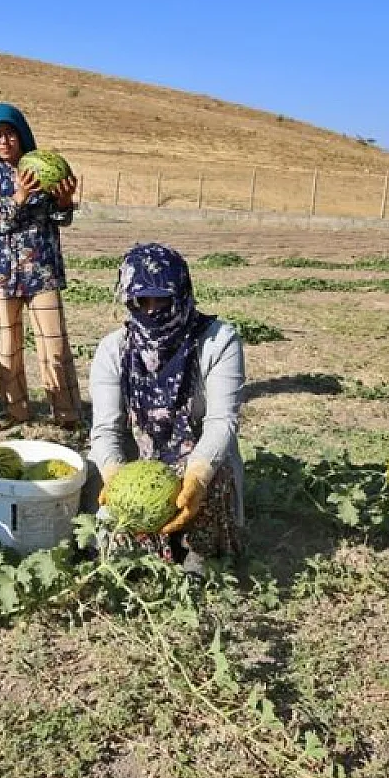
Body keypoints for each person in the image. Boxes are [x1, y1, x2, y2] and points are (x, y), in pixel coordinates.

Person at [87, 244, 247, 574]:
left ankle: (200, 552)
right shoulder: (113, 349)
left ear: (182, 293)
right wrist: (116, 477)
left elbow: (221, 422)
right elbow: (105, 430)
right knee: (103, 521)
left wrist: (198, 477)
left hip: (198, 460)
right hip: (137, 463)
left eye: (162, 300)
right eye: (141, 301)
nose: (152, 310)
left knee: (214, 484)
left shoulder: (218, 341)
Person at [0, 102, 82, 429]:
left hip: (42, 273)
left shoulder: (43, 170)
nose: (4, 141)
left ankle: (66, 414)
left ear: (21, 135)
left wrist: (64, 202)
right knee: (8, 349)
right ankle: (15, 410)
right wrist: (20, 195)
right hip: (2, 275)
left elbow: (60, 219)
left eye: (10, 133)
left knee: (54, 345)